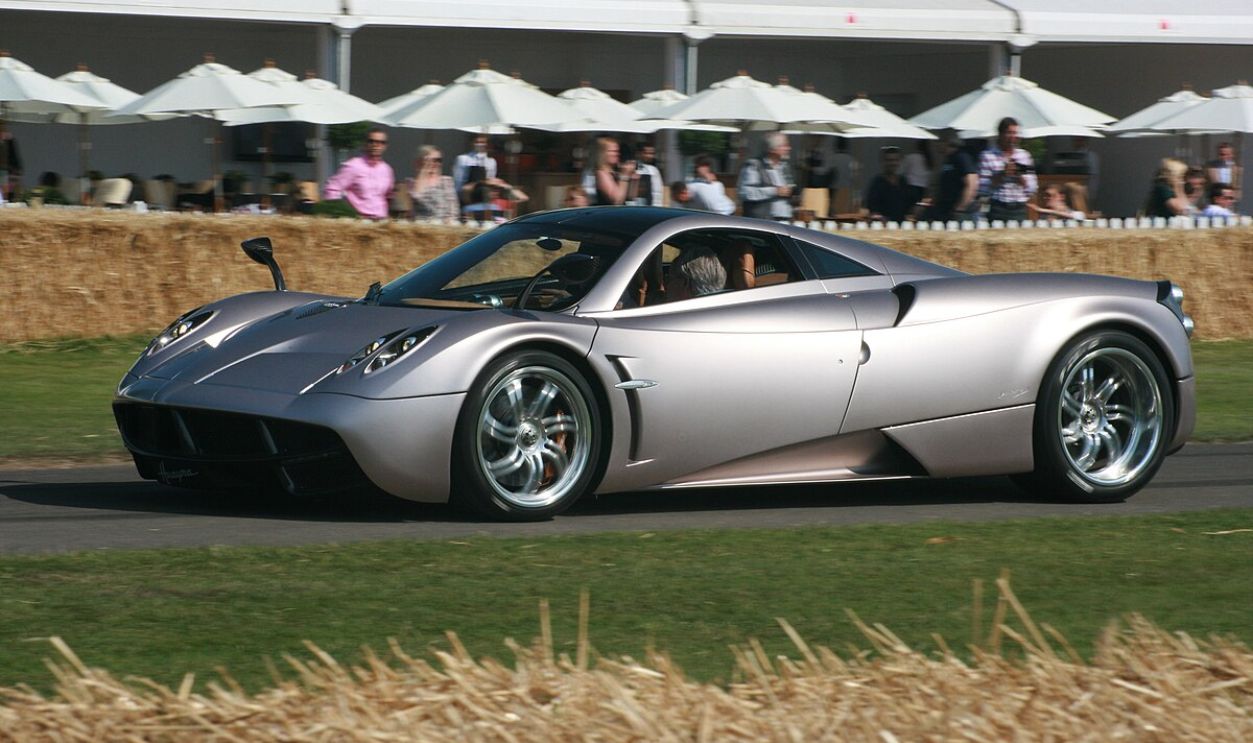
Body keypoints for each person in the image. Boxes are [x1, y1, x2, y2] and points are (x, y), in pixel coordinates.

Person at [322, 127, 395, 220]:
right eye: (371, 141)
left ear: (385, 146)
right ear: (365, 144)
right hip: (359, 221)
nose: (376, 145)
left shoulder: (387, 170)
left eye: (381, 142)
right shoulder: (353, 166)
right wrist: (338, 214)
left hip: (381, 221)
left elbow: (389, 196)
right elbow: (332, 189)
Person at [978, 116, 1037, 222]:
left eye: (1015, 133)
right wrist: (1002, 174)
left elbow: (1032, 187)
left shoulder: (1024, 156)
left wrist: (1018, 175)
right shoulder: (988, 155)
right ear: (1000, 134)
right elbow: (983, 187)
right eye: (1009, 133)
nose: (1012, 137)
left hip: (1019, 208)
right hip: (998, 207)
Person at [922, 131, 978, 222]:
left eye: (938, 142)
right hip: (946, 209)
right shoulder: (947, 159)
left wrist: (960, 208)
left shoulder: (961, 157)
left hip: (961, 213)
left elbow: (971, 183)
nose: (936, 145)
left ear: (946, 142)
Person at [738, 132, 795, 220]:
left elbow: (789, 189)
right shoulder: (754, 165)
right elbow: (745, 192)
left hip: (784, 219)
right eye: (784, 146)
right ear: (772, 149)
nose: (789, 148)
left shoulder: (784, 167)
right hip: (763, 221)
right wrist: (775, 191)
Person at [407, 145, 458, 221]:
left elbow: (453, 208)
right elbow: (417, 198)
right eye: (432, 160)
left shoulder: (446, 181)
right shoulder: (411, 183)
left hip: (444, 227)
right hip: (420, 226)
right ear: (421, 161)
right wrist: (423, 171)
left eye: (439, 160)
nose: (436, 163)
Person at [864, 146, 914, 223]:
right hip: (883, 228)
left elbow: (909, 206)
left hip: (902, 228)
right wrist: (879, 218)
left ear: (900, 161)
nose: (893, 163)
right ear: (883, 162)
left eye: (896, 160)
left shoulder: (903, 181)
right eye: (889, 160)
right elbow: (872, 209)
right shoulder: (877, 182)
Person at [453, 134, 498, 206]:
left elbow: (490, 180)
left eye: (482, 142)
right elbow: (458, 180)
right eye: (477, 141)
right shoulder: (463, 159)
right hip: (466, 196)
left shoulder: (491, 161)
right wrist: (458, 198)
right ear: (472, 143)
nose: (480, 144)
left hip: (483, 197)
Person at [592, 136, 637, 205]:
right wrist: (624, 176)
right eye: (613, 151)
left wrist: (633, 179)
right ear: (603, 153)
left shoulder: (616, 172)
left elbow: (630, 197)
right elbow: (617, 201)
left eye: (618, 151)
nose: (617, 154)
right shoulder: (601, 174)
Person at [828, 137, 859, 213]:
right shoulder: (852, 160)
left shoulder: (831, 159)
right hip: (848, 193)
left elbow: (826, 177)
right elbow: (855, 179)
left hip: (833, 193)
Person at [901, 140, 932, 207]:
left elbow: (901, 171)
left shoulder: (911, 157)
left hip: (910, 186)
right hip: (922, 189)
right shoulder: (928, 160)